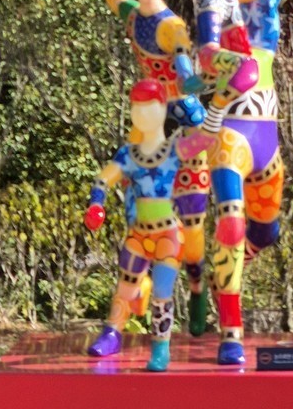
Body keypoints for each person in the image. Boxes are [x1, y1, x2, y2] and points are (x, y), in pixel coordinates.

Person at [99, 0, 211, 335]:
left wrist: (193, 76)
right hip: (149, 112)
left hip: (181, 113)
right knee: (135, 199)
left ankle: (197, 286)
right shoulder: (130, 14)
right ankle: (133, 295)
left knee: (193, 212)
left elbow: (186, 69)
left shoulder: (171, 26)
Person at [192, 0, 285, 365]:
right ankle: (231, 330)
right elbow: (206, 51)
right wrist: (220, 54)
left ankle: (217, 274)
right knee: (231, 222)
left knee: (266, 232)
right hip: (231, 128)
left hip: (267, 128)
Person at [84, 79, 221, 370]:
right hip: (138, 234)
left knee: (162, 292)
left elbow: (207, 138)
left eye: (149, 107)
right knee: (125, 285)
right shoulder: (128, 155)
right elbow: (102, 179)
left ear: (162, 109)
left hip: (168, 235)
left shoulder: (174, 150)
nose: (142, 114)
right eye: (137, 108)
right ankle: (112, 334)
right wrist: (97, 203)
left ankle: (161, 349)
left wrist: (218, 102)